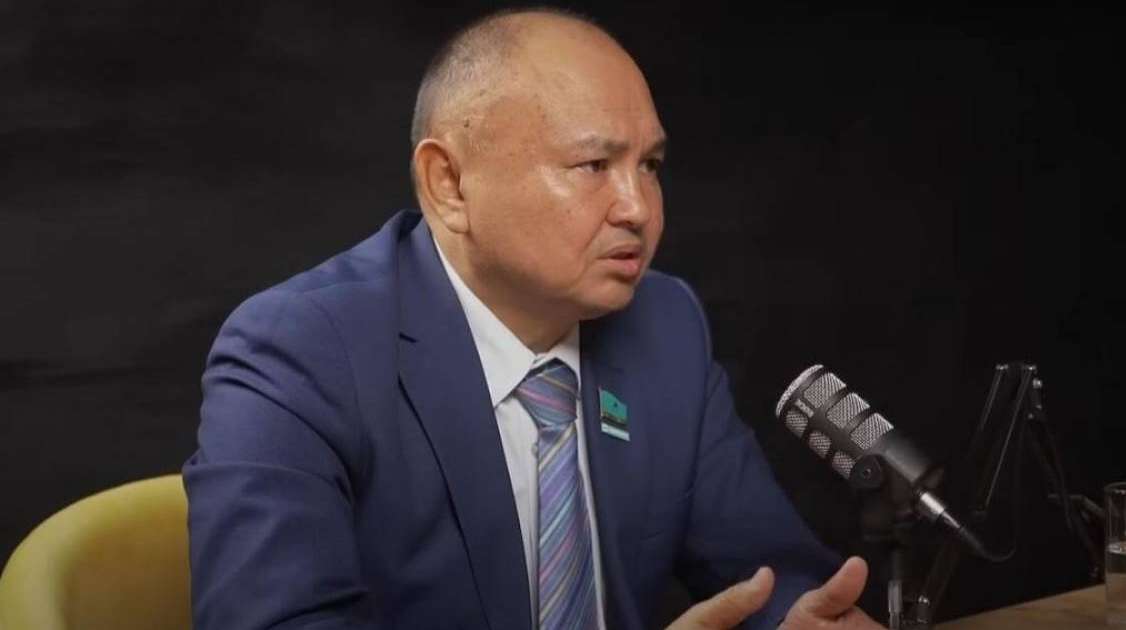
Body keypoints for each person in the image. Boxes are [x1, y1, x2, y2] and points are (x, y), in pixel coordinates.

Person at [183, 7, 884, 630]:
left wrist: (799, 617)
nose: (638, 208)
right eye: (594, 164)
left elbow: (769, 572)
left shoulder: (665, 325)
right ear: (449, 184)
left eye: (650, 165)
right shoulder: (299, 350)